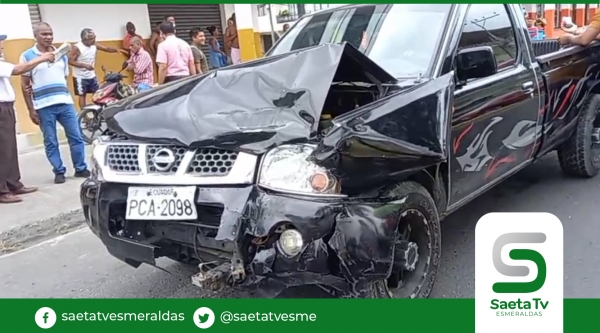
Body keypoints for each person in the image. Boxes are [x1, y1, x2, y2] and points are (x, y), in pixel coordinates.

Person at [20, 22, 90, 184]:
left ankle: (80, 168)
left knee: (76, 136)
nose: (48, 37)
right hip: (43, 106)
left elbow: (63, 78)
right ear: (35, 36)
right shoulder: (28, 55)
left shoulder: (62, 54)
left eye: (50, 33)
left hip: (64, 103)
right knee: (51, 140)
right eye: (44, 34)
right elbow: (25, 84)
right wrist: (31, 109)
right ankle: (59, 171)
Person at [0, 33, 55, 203]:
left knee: (9, 148)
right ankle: (2, 191)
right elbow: (18, 69)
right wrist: (42, 58)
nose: (2, 48)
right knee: (2, 150)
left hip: (6, 108)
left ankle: (13, 183)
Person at [68, 28, 127, 109]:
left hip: (91, 75)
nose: (94, 40)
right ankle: (84, 115)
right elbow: (70, 61)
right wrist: (84, 65)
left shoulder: (94, 45)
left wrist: (116, 50)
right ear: (85, 39)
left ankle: (100, 111)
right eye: (92, 38)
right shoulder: (77, 48)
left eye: (94, 37)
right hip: (80, 76)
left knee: (98, 94)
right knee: (82, 95)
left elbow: (106, 49)